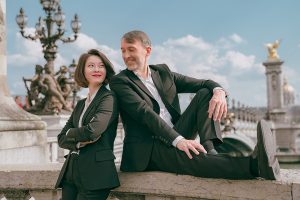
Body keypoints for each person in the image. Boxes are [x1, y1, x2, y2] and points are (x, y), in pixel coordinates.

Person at [110, 30, 280, 180]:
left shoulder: (162, 73)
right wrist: (179, 140)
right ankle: (254, 166)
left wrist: (219, 92)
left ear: (147, 51)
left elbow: (204, 83)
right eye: (123, 51)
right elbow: (145, 113)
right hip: (148, 147)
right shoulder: (120, 81)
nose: (126, 55)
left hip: (176, 131)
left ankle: (209, 147)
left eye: (131, 49)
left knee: (206, 93)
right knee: (193, 160)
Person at [55, 49, 120, 200]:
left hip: (96, 174)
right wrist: (77, 142)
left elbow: (92, 131)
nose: (97, 69)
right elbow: (60, 138)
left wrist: (71, 133)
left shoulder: (108, 98)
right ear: (82, 71)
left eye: (101, 65)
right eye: (91, 65)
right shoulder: (80, 104)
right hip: (71, 171)